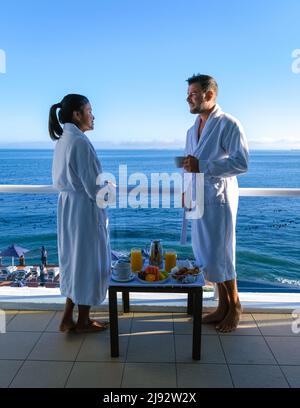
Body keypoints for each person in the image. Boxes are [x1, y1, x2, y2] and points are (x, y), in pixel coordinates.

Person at [183, 74, 249, 332]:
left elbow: (242, 163)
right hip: (199, 199)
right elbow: (189, 164)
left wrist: (205, 166)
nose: (188, 98)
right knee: (207, 255)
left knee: (223, 254)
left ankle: (235, 307)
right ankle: (221, 307)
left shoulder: (228, 124)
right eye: (188, 94)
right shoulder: (192, 130)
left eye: (194, 93)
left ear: (210, 95)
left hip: (219, 200)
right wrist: (186, 189)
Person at [49, 94, 111, 333]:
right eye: (89, 110)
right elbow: (94, 188)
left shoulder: (63, 140)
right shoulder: (80, 142)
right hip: (83, 210)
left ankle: (67, 318)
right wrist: (110, 189)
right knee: (87, 262)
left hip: (68, 207)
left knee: (74, 261)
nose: (93, 116)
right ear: (77, 114)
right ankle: (83, 320)